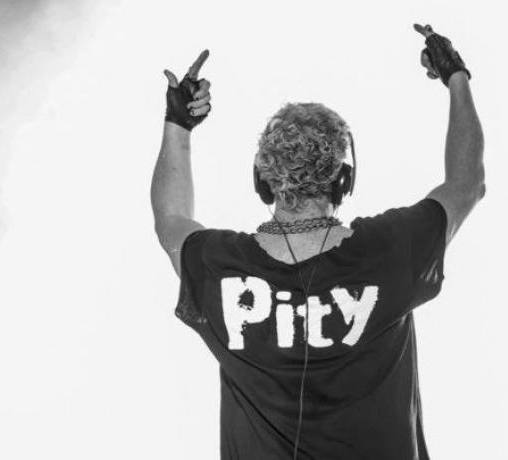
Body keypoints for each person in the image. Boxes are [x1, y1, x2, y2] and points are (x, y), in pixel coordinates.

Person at [151, 23, 485, 460]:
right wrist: (456, 76)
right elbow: (467, 183)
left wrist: (178, 124)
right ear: (344, 180)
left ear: (262, 180)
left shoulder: (220, 268)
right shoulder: (391, 250)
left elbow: (170, 218)